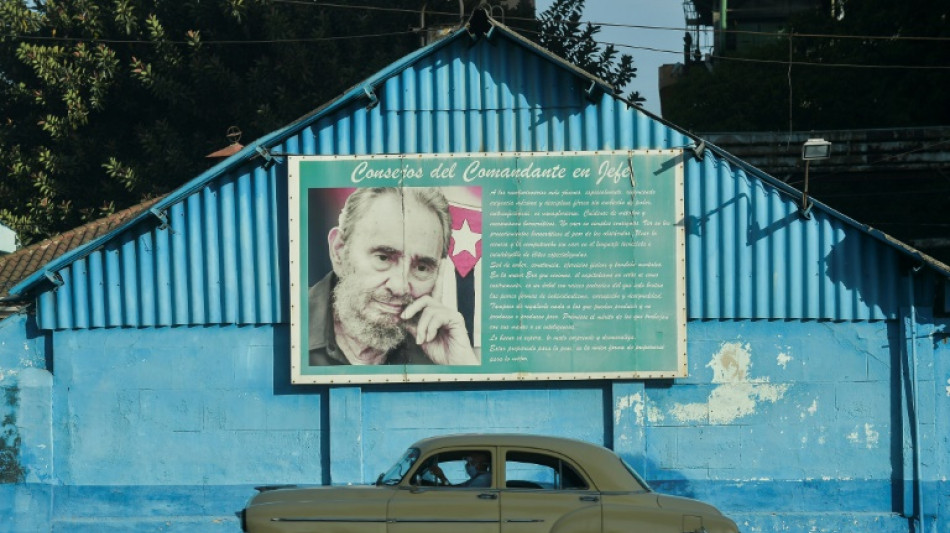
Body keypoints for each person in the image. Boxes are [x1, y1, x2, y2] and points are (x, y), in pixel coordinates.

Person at [308, 187, 478, 366]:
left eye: (421, 268)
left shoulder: (437, 350)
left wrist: (460, 366)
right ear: (339, 251)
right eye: (383, 258)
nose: (400, 287)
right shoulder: (293, 324)